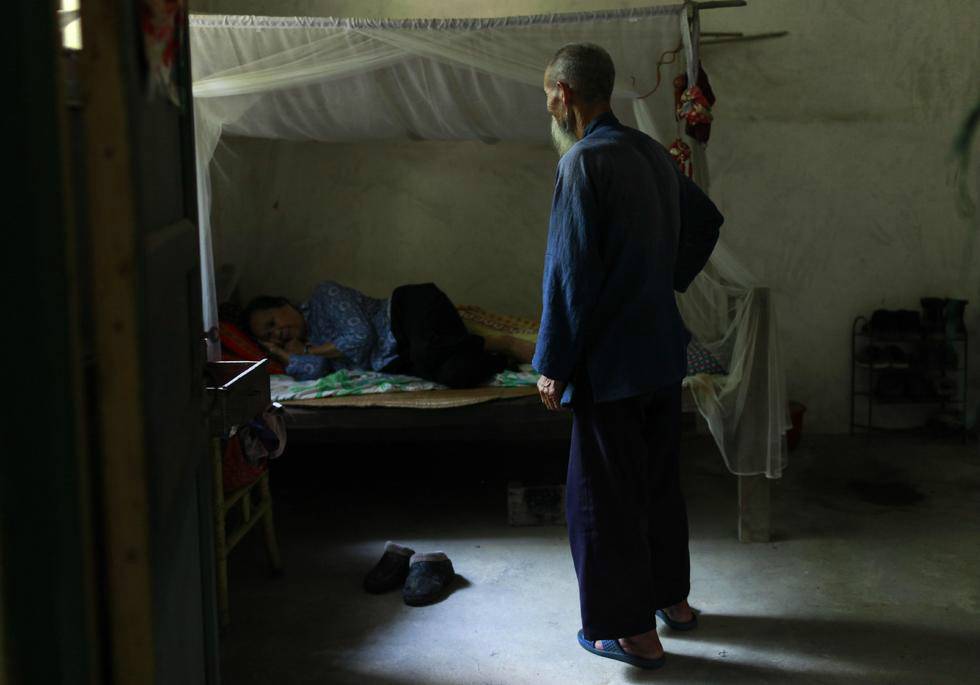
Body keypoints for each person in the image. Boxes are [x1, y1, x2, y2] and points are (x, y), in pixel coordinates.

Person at [534, 43, 722, 670]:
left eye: (548, 95)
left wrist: (553, 362)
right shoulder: (649, 151)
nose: (549, 106)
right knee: (657, 484)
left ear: (564, 92)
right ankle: (673, 602)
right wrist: (660, 280)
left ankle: (630, 633)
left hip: (610, 366)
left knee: (602, 498)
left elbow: (569, 274)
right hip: (661, 352)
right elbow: (705, 221)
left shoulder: (582, 162)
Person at [242, 281, 531, 387]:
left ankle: (494, 341)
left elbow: (361, 336)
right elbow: (316, 371)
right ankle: (500, 353)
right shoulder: (308, 346)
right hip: (401, 356)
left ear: (284, 304)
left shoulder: (323, 296)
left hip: (407, 310)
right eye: (269, 336)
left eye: (272, 322)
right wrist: (283, 355)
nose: (277, 333)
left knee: (426, 353)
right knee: (454, 375)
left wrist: (307, 351)